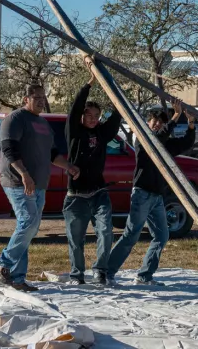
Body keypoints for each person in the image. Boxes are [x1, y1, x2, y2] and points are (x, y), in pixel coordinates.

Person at [0, 84, 80, 292]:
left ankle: (17, 278)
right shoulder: (14, 119)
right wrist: (24, 174)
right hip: (18, 181)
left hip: (40, 184)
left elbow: (52, 153)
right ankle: (3, 263)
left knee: (28, 228)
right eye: (37, 97)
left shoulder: (43, 123)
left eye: (44, 97)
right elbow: (9, 149)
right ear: (26, 99)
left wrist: (68, 166)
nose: (42, 100)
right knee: (28, 222)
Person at [106, 99, 196, 286]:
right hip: (142, 193)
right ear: (148, 124)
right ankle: (107, 271)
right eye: (154, 122)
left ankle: (145, 275)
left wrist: (190, 123)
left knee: (162, 236)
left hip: (157, 196)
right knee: (131, 235)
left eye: (160, 123)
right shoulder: (143, 139)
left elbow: (186, 142)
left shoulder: (165, 144)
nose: (157, 125)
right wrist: (176, 115)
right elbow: (158, 137)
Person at [63, 58, 122, 285]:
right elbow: (76, 106)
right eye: (89, 115)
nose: (92, 118)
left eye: (96, 116)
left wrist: (114, 90)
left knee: (106, 232)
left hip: (98, 192)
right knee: (75, 239)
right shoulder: (74, 132)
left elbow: (116, 116)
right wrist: (90, 82)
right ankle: (77, 274)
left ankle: (100, 270)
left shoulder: (102, 134)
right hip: (76, 195)